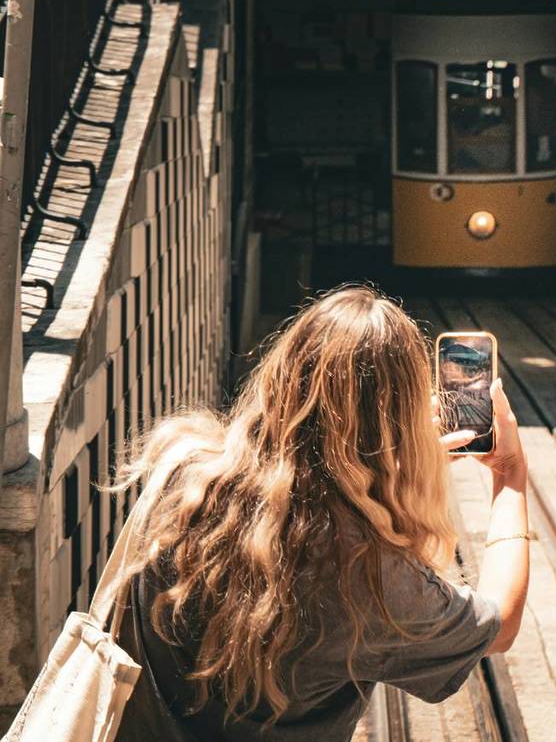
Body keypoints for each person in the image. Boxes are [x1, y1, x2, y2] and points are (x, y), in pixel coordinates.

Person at [110, 285, 530, 740]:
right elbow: (500, 625)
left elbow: (303, 481)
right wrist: (509, 475)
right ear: (403, 418)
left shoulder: (184, 470)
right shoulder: (366, 573)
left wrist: (392, 474)